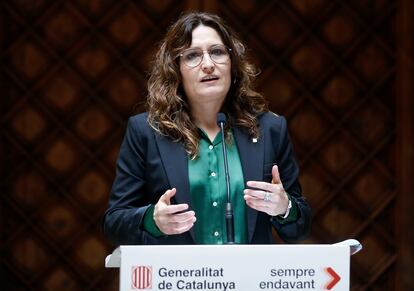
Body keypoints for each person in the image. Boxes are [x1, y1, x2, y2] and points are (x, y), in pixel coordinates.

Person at [103, 11, 311, 245]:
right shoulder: (146, 132)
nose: (209, 65)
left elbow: (299, 229)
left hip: (249, 278)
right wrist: (153, 220)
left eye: (217, 52)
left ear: (232, 63)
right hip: (180, 279)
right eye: (192, 56)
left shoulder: (270, 129)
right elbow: (114, 223)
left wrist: (285, 207)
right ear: (176, 69)